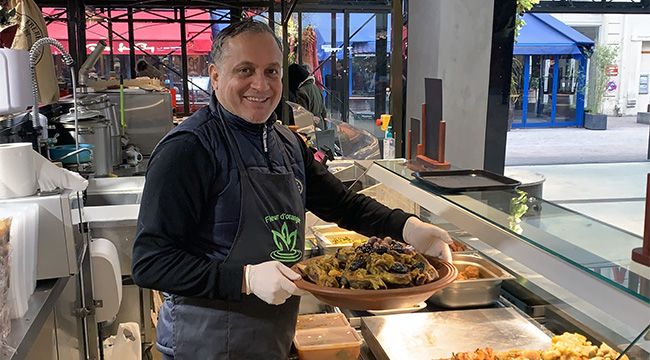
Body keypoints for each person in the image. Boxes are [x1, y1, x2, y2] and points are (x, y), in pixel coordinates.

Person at [131, 19, 452, 360]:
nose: (261, 84)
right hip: (203, 346)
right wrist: (246, 279)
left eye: (271, 71)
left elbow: (343, 205)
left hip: (272, 339)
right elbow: (151, 262)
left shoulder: (286, 142)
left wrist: (407, 227)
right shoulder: (188, 149)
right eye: (245, 70)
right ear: (214, 76)